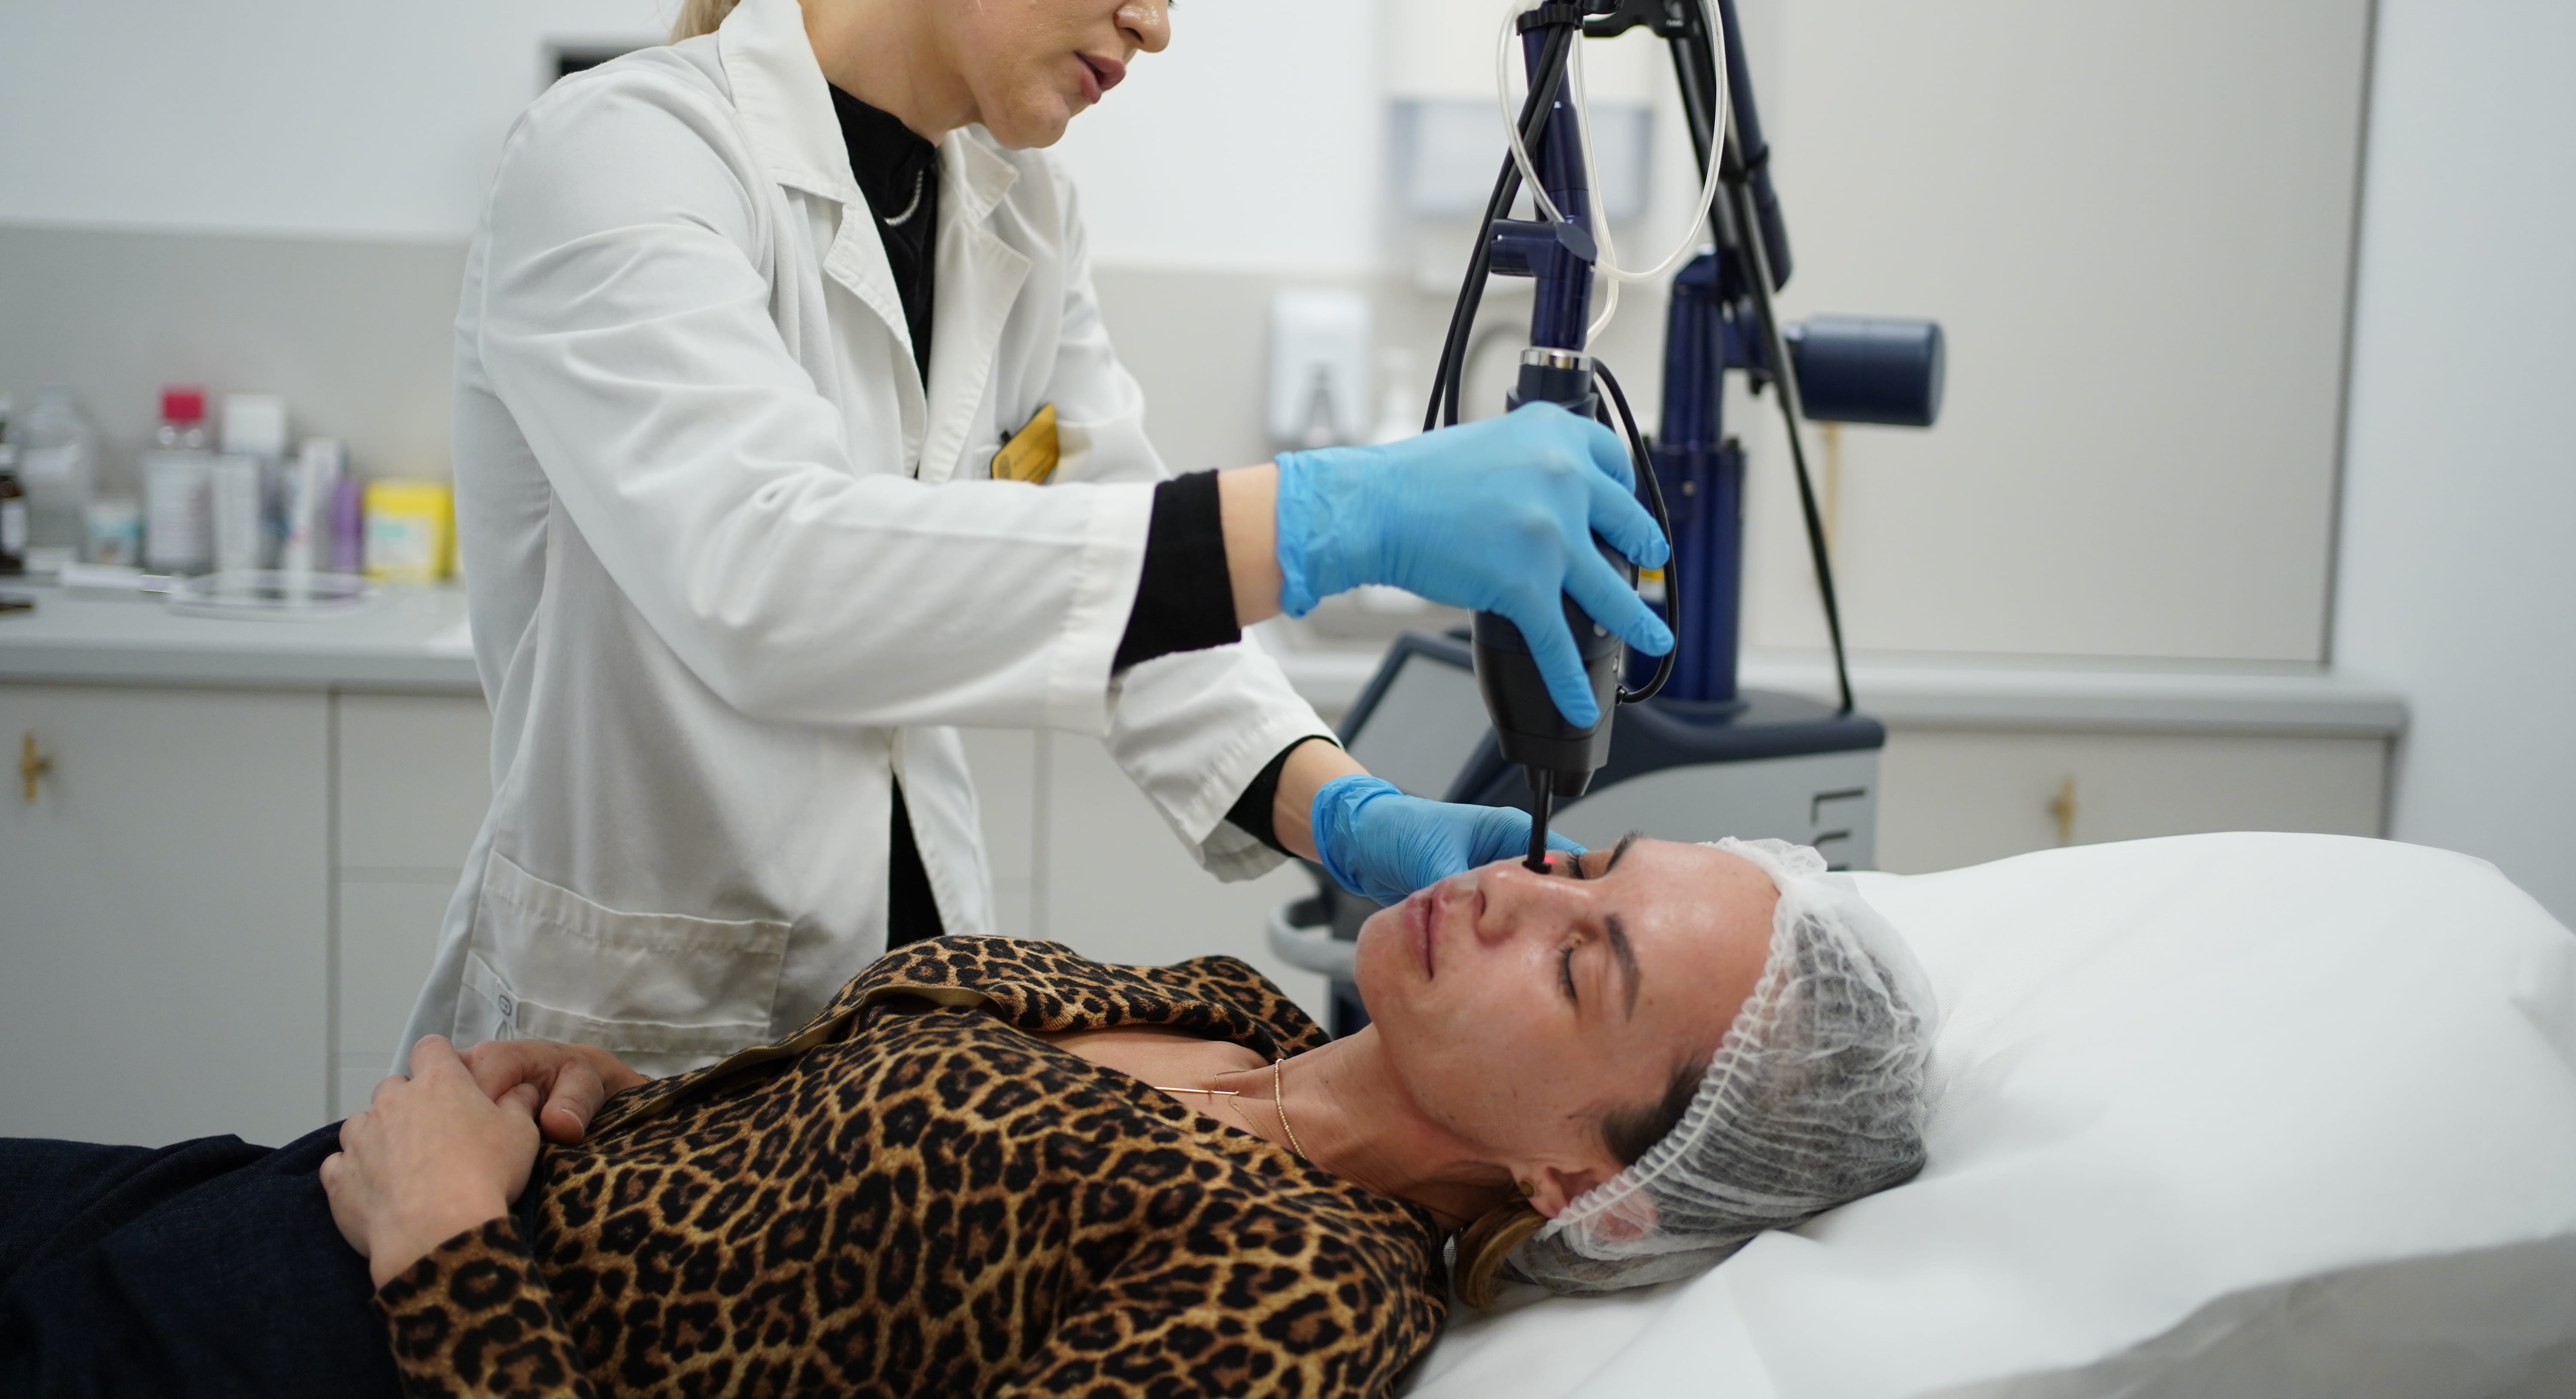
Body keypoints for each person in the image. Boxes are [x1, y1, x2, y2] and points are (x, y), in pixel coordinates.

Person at [403, 0, 1674, 1080]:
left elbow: (1130, 598)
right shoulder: (625, 154)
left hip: (901, 1034)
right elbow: (768, 579)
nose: (1157, 20)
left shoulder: (1019, 215)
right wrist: (1333, 517)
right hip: (625, 1053)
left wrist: (1347, 812)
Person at [0, 837, 1933, 1396]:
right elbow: (821, 1226)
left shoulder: (1307, 1305)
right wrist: (611, 1115)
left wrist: (451, 1250)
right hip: (247, 1208)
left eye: (1586, 967)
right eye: (1580, 864)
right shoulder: (1233, 1008)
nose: (1512, 890)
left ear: (1584, 1181)